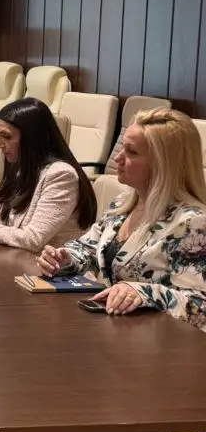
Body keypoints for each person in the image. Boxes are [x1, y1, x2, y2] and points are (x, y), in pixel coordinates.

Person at [38, 108, 206, 328]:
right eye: (122, 148)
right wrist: (64, 258)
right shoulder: (123, 203)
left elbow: (200, 305)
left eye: (131, 152)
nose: (117, 158)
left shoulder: (193, 223)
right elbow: (88, 248)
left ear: (164, 164)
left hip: (162, 340)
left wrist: (143, 293)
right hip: (114, 329)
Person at [0, 98, 95, 252]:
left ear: (32, 139)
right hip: (13, 257)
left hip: (44, 264)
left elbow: (33, 239)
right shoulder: (21, 166)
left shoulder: (61, 175)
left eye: (7, 136)